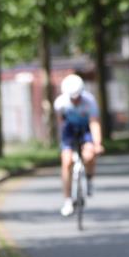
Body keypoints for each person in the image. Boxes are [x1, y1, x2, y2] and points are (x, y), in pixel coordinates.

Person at [54, 74, 104, 216]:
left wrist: (97, 143)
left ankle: (89, 180)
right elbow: (61, 124)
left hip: (85, 130)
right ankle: (68, 200)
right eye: (72, 98)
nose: (75, 101)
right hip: (69, 131)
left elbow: (94, 123)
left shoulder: (90, 102)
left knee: (89, 155)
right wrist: (63, 144)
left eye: (77, 97)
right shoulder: (60, 103)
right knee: (66, 162)